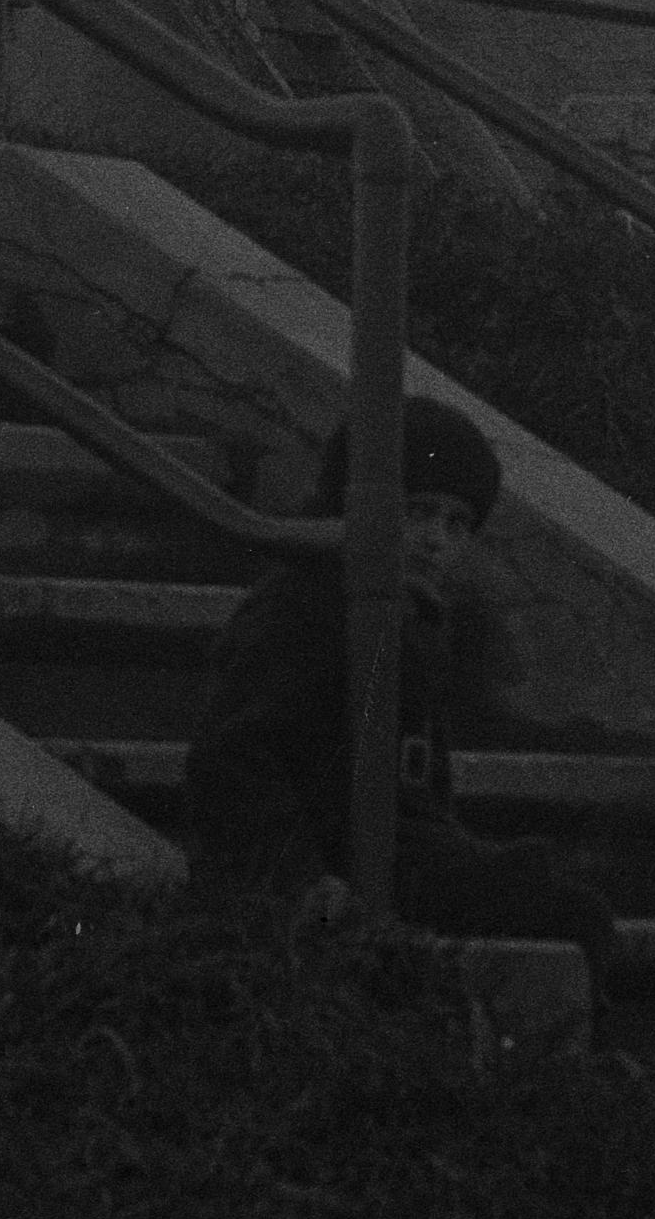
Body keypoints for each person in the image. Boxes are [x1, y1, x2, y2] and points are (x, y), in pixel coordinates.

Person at [178, 397, 611, 956]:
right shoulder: (306, 606)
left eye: (456, 523)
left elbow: (428, 781)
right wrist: (300, 882)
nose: (436, 539)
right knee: (567, 912)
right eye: (418, 512)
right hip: (337, 860)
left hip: (394, 851)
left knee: (560, 887)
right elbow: (234, 758)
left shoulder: (415, 617)